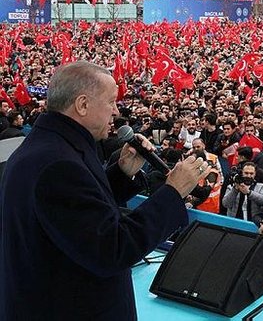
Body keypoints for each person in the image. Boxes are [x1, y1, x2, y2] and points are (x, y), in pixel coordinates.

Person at [0, 61, 208, 320]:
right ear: (83, 104)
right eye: (111, 102)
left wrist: (121, 174)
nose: (116, 111)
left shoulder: (49, 145)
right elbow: (112, 249)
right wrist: (173, 192)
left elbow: (73, 216)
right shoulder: (58, 164)